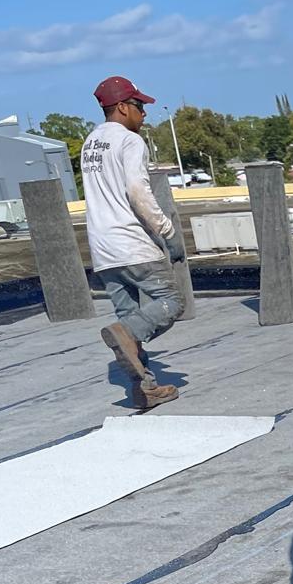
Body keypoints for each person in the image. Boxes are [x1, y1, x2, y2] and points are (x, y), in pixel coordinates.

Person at [82, 76, 185, 412]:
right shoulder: (129, 141)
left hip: (103, 249)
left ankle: (145, 390)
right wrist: (168, 232)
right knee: (170, 301)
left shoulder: (91, 143)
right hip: (130, 242)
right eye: (139, 107)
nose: (144, 114)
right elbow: (138, 191)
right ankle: (124, 333)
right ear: (122, 107)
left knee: (130, 316)